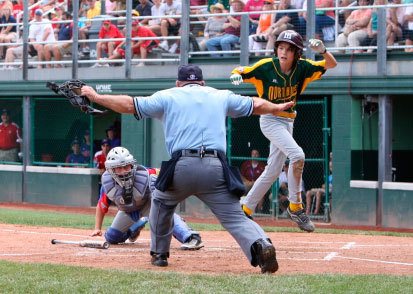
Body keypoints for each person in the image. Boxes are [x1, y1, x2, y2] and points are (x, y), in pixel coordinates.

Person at [81, 64, 295, 273]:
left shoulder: (168, 95)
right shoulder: (220, 95)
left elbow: (129, 105)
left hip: (181, 165)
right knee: (235, 216)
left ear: (178, 83)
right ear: (202, 83)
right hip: (215, 167)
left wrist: (96, 97)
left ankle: (159, 254)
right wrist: (276, 107)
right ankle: (260, 245)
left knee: (161, 203)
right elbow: (256, 104)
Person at [230, 30, 337, 232]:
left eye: (289, 49)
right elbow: (240, 70)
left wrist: (322, 50)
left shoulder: (302, 67)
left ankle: (245, 208)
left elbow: (331, 64)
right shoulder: (266, 67)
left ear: (297, 53)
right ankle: (296, 207)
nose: (283, 52)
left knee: (271, 171)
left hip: (288, 122)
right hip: (269, 119)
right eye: (280, 47)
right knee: (297, 155)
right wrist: (236, 76)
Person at [91, 146, 204, 250]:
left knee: (163, 214)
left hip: (149, 205)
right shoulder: (107, 184)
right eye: (119, 168)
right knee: (111, 237)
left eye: (126, 166)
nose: (124, 171)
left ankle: (191, 237)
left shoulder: (144, 174)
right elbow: (101, 206)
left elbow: (163, 173)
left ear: (132, 164)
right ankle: (134, 229)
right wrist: (97, 228)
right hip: (128, 211)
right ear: (111, 170)